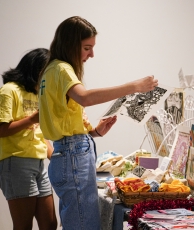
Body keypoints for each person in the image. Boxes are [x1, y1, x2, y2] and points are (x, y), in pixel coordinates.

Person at [38, 16, 158, 230]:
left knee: (78, 221)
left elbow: (62, 123)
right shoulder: (61, 68)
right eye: (86, 48)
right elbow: (85, 98)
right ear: (71, 44)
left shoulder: (50, 70)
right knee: (84, 225)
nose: (91, 54)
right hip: (72, 154)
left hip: (65, 153)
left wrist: (94, 132)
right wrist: (134, 86)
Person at [0, 48, 58, 230]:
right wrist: (31, 119)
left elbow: (39, 134)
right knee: (23, 226)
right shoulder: (8, 91)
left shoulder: (38, 94)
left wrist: (58, 158)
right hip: (16, 163)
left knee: (50, 224)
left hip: (38, 163)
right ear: (37, 69)